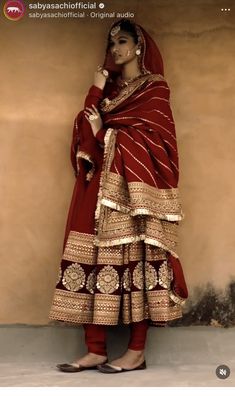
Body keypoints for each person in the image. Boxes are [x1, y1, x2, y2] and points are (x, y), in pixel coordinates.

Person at [49, 19, 188, 374]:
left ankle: (136, 352)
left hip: (134, 194)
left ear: (139, 45)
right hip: (99, 191)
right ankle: (95, 350)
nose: (115, 49)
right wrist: (95, 95)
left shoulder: (154, 90)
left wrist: (107, 132)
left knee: (137, 265)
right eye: (112, 44)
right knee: (92, 262)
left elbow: (159, 145)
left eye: (123, 41)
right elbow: (87, 140)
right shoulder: (108, 93)